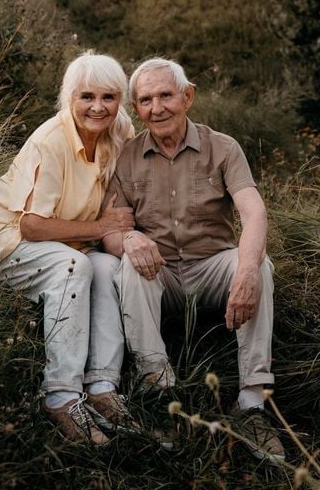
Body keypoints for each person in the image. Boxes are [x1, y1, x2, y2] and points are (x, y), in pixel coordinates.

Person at [103, 57, 285, 461]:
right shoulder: (126, 157)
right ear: (137, 108)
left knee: (260, 266)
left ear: (188, 97)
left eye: (166, 95)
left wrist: (248, 271)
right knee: (129, 267)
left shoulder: (223, 147)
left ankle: (252, 402)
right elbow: (112, 231)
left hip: (212, 265)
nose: (157, 107)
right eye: (146, 100)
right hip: (160, 271)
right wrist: (130, 238)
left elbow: (253, 212)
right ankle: (158, 390)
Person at [0, 51, 139, 446]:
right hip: (7, 240)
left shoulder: (120, 131)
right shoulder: (50, 141)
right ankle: (61, 397)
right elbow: (31, 225)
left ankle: (102, 387)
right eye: (86, 96)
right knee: (75, 266)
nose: (98, 107)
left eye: (109, 97)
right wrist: (102, 226)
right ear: (69, 97)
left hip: (72, 243)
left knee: (107, 267)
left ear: (120, 100)